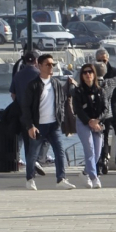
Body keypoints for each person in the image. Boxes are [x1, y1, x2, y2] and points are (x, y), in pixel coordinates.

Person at [19, 54, 75, 191]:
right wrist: (30, 126)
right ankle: (30, 179)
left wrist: (60, 119)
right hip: (38, 125)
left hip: (53, 124)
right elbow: (25, 107)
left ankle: (61, 179)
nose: (51, 67)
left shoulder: (56, 83)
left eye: (53, 64)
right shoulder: (33, 85)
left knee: (59, 151)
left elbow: (61, 102)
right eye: (48, 64)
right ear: (39, 66)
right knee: (33, 153)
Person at [73, 63, 107, 189]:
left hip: (97, 123)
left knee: (97, 153)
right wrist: (89, 121)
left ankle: (85, 173)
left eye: (90, 72)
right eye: (85, 72)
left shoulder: (100, 90)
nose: (88, 75)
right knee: (90, 150)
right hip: (83, 123)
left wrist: (97, 120)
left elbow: (105, 108)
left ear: (94, 74)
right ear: (82, 76)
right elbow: (78, 110)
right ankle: (94, 177)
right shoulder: (78, 91)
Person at [97, 49, 116, 173]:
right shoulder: (93, 73)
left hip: (114, 108)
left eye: (103, 60)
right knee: (102, 137)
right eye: (99, 60)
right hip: (101, 112)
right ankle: (102, 161)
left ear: (108, 59)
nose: (102, 63)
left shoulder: (114, 72)